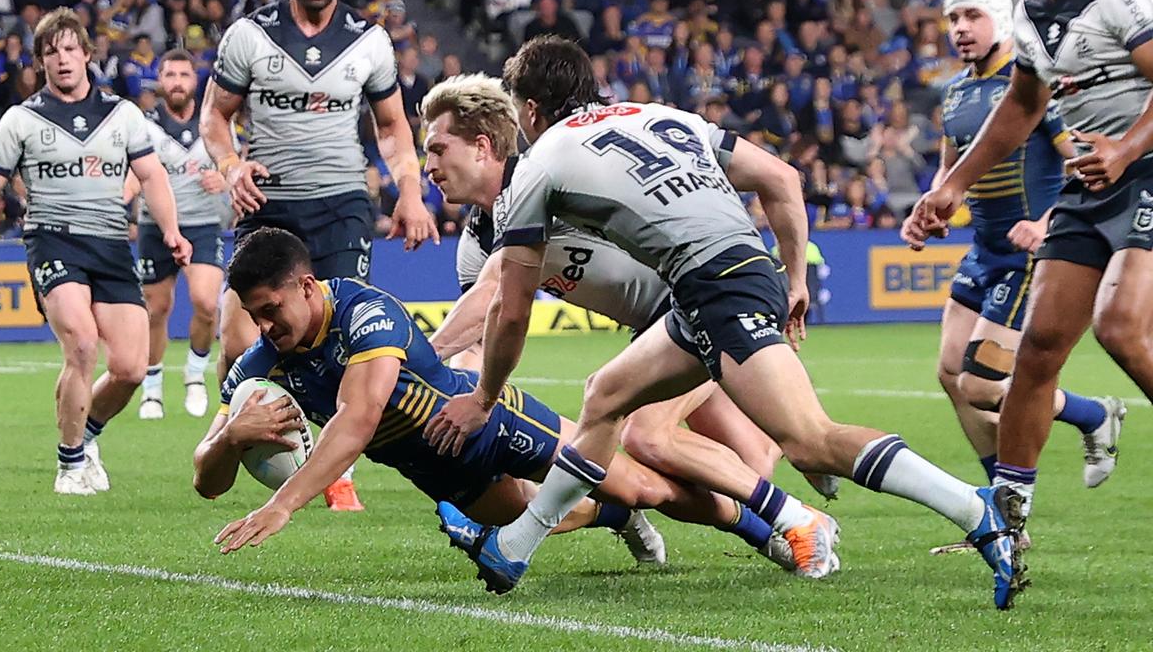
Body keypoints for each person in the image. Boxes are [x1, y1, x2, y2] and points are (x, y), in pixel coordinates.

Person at [424, 36, 1019, 605]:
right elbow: (782, 179)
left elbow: (511, 303)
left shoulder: (541, 162)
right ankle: (516, 546)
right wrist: (794, 280)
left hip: (713, 288)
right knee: (605, 397)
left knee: (810, 441)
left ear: (529, 109)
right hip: (719, 281)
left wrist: (483, 396)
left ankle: (972, 505)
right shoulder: (660, 114)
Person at [202, 228, 788, 574]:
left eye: (271, 309)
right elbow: (206, 477)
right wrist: (228, 437)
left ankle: (770, 530)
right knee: (540, 513)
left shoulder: (364, 312)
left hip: (487, 421)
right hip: (434, 469)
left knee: (645, 485)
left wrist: (282, 504)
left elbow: (357, 422)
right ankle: (616, 518)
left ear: (306, 287)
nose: (263, 326)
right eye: (253, 315)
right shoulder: (264, 364)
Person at [421, 75, 841, 518]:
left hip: (696, 299)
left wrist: (414, 363)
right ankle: (792, 448)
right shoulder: (474, 244)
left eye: (437, 149)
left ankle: (797, 505)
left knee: (648, 437)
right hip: (655, 328)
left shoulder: (546, 179)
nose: (429, 166)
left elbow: (492, 293)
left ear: (483, 147)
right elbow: (480, 333)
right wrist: (452, 390)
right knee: (750, 457)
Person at [907, 0, 1153, 608]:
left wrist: (1130, 148)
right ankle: (1009, 525)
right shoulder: (1031, 13)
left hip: (1146, 169)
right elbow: (1021, 106)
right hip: (1088, 187)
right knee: (1039, 349)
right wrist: (951, 186)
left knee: (1121, 326)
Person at [199, 0, 439, 512]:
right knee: (236, 341)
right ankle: (231, 439)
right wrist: (231, 167)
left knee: (338, 338)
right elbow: (215, 117)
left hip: (341, 206)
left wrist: (410, 190)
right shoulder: (249, 36)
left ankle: (337, 476)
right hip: (266, 206)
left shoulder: (370, 42)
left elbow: (391, 127)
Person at [0, 8, 191, 496]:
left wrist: (172, 231)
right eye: (51, 52)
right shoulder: (23, 119)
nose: (62, 59)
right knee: (80, 343)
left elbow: (152, 176)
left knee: (131, 369)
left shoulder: (123, 114)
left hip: (111, 243)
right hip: (53, 239)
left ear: (87, 55)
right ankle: (70, 464)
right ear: (40, 62)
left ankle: (88, 433)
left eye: (70, 49)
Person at [131, 50, 228, 420]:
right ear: (160, 80)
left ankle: (194, 374)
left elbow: (232, 160)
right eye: (169, 74)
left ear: (195, 80)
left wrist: (223, 177)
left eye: (183, 75)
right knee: (156, 309)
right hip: (156, 225)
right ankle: (152, 387)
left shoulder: (214, 122)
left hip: (203, 222)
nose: (176, 81)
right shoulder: (144, 124)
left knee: (206, 303)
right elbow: (132, 173)